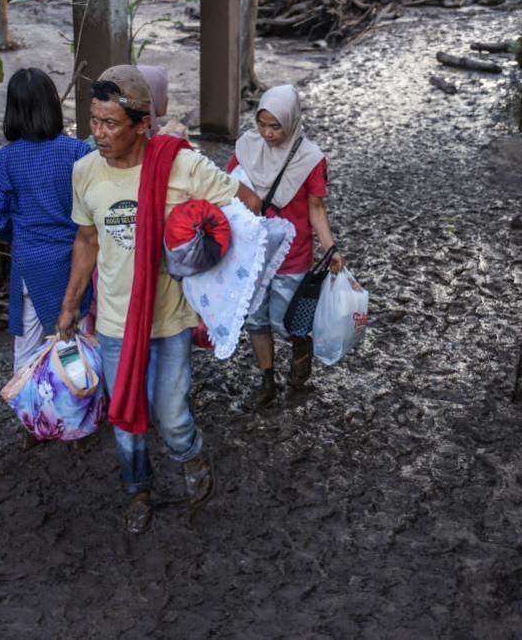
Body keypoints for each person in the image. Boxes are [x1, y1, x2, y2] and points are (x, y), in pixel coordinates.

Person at [57, 65, 261, 534]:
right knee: (125, 417)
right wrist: (70, 304)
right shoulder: (85, 171)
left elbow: (247, 205)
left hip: (169, 322)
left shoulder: (181, 165)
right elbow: (86, 241)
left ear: (143, 124)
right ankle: (138, 492)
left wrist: (205, 254)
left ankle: (191, 458)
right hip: (113, 322)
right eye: (93, 121)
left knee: (171, 417)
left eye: (111, 124)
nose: (99, 134)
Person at [227, 84, 345, 408]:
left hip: (293, 255)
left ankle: (300, 345)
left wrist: (330, 248)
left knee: (285, 320)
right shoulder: (246, 148)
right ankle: (267, 380)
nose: (267, 133)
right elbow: (227, 191)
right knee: (254, 320)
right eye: (262, 124)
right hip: (253, 252)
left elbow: (316, 209)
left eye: (275, 126)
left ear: (291, 122)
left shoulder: (310, 160)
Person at [0, 67, 92, 372]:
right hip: (73, 262)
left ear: (12, 110)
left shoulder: (6, 158)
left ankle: (32, 414)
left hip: (29, 265)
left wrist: (20, 236)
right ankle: (75, 408)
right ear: (53, 105)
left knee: (27, 349)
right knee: (70, 341)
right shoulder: (78, 152)